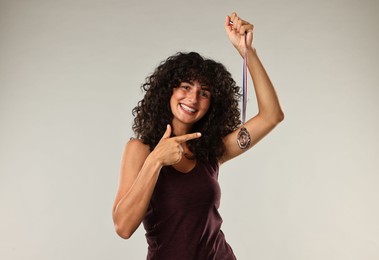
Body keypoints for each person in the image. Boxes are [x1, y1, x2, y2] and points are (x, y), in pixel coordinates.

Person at [112, 12, 284, 260]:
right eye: (185, 87)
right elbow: (123, 227)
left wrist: (248, 52)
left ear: (212, 103)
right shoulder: (140, 150)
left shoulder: (211, 151)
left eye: (204, 92)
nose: (193, 98)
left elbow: (271, 115)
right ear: (168, 91)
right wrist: (156, 160)